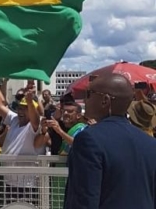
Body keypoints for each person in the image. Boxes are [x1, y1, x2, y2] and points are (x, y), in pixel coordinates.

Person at [64, 73, 156, 208]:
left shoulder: (89, 140)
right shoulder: (150, 143)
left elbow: (83, 200)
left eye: (89, 94)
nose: (85, 100)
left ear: (105, 100)